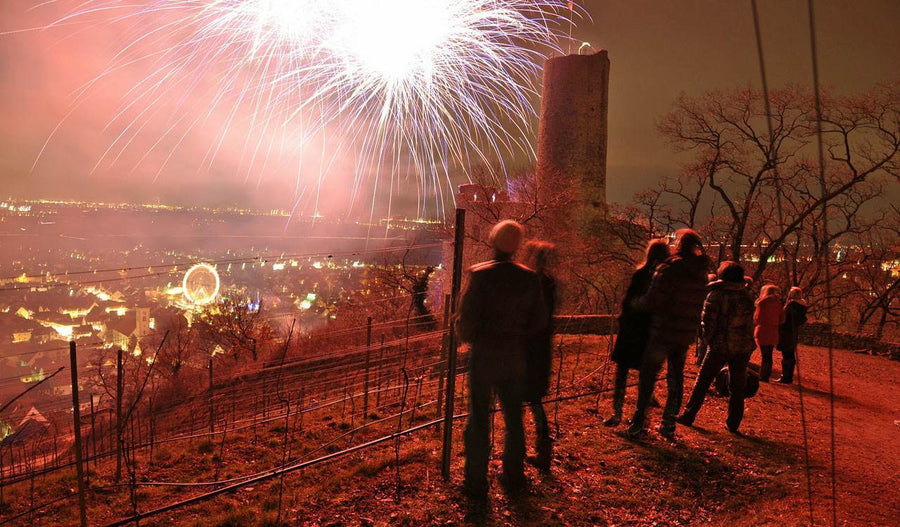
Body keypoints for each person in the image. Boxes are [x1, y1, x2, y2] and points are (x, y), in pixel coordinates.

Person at [457, 220, 547, 498]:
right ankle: (513, 475)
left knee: (479, 418)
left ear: (494, 241)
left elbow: (467, 321)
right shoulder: (530, 278)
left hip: (484, 355)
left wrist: (469, 337)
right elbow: (539, 320)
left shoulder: (481, 275)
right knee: (514, 418)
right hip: (515, 355)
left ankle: (475, 480)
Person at [626, 229, 710, 440]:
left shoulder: (670, 268)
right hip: (684, 334)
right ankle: (668, 424)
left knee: (648, 377)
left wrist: (635, 304)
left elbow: (653, 299)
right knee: (676, 378)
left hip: (663, 331)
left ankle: (638, 424)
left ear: (679, 244)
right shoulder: (701, 273)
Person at [676, 261, 756, 434]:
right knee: (737, 386)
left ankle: (688, 416)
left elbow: (707, 323)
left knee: (703, 381)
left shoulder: (717, 295)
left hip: (720, 345)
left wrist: (709, 341)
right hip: (742, 346)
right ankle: (733, 424)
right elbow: (750, 322)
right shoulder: (747, 294)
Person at [605, 239, 671, 427]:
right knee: (646, 375)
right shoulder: (666, 278)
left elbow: (628, 302)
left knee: (622, 372)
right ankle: (640, 416)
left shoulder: (641, 273)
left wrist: (624, 320)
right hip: (651, 331)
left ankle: (617, 412)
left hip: (632, 329)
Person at [521, 240, 557, 471]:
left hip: (529, 349)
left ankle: (523, 450)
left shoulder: (533, 283)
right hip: (541, 348)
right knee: (534, 401)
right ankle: (543, 449)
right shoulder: (550, 282)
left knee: (526, 400)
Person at [775, 287, 808, 384]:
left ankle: (785, 377)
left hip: (786, 332)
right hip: (793, 331)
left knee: (786, 354)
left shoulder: (792, 305)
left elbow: (784, 318)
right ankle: (788, 376)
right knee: (790, 355)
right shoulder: (802, 306)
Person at [754, 284, 785, 382]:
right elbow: (782, 319)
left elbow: (757, 318)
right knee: (769, 355)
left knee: (764, 354)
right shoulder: (778, 303)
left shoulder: (762, 302)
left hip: (763, 330)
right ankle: (765, 375)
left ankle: (762, 375)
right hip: (773, 331)